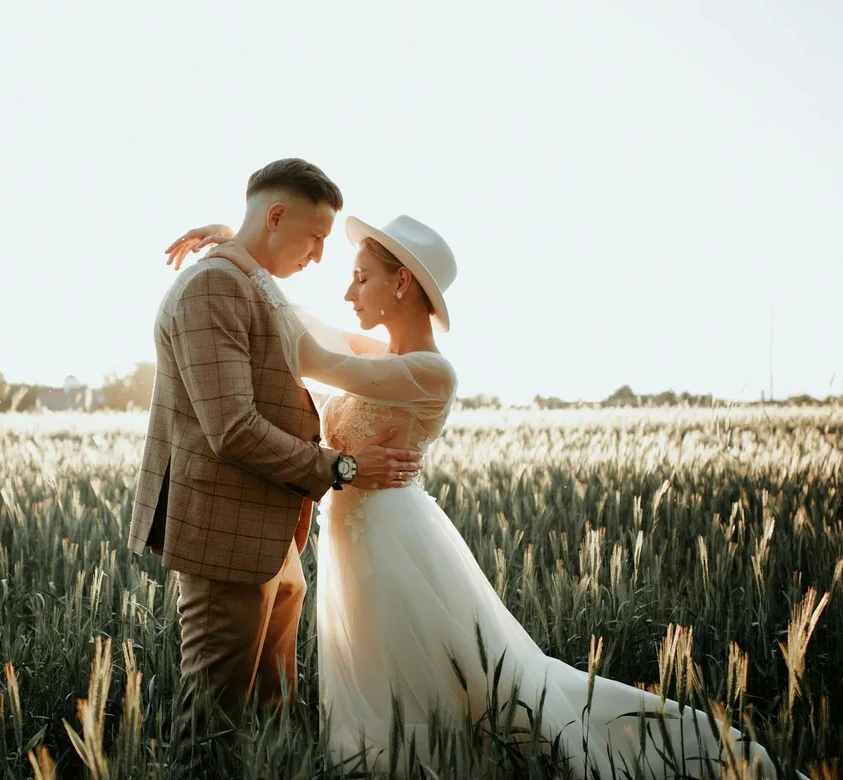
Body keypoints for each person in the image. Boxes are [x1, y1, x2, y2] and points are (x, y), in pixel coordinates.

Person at [167, 213, 800, 779]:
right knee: (380, 665)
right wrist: (240, 242)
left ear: (401, 285)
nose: (347, 290)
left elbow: (306, 350)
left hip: (391, 538)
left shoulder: (429, 370)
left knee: (418, 672)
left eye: (360, 277)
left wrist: (245, 260)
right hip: (353, 529)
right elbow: (312, 328)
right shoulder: (385, 352)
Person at [127, 158, 425, 736]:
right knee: (212, 727)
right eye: (314, 238)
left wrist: (227, 233)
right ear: (277, 216)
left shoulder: (244, 279)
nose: (317, 256)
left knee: (271, 717)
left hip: (268, 533)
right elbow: (232, 428)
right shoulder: (212, 287)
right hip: (225, 538)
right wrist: (343, 467)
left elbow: (261, 284)